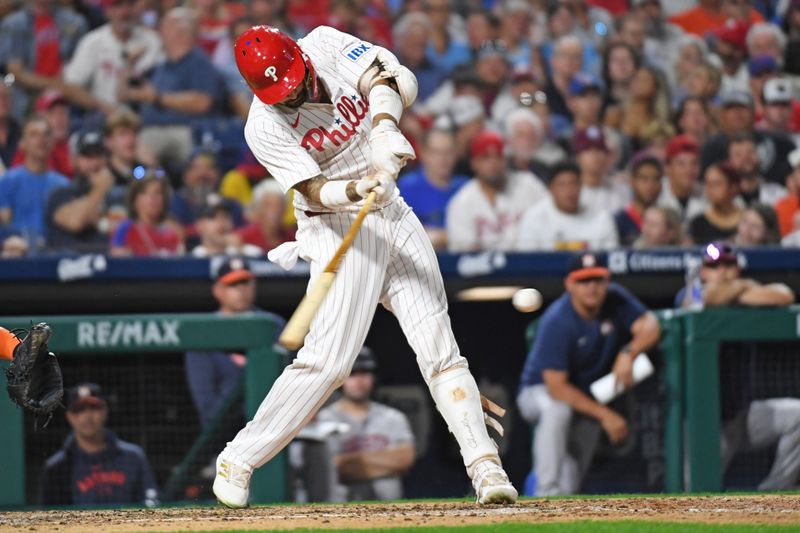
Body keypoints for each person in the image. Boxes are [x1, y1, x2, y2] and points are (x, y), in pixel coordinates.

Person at [212, 25, 517, 508]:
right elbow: (310, 190)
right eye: (282, 93)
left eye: (296, 82)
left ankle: (485, 467)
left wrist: (384, 129)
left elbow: (388, 79)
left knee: (439, 347)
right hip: (336, 228)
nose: (294, 96)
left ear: (300, 59)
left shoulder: (324, 43)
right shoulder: (263, 125)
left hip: (392, 213)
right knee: (330, 364)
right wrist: (354, 190)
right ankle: (238, 457)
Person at [516, 252, 662, 496]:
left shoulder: (615, 299)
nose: (591, 287)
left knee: (571, 481)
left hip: (587, 397)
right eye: (583, 281)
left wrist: (628, 352)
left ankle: (553, 508)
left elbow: (651, 326)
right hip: (539, 391)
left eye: (597, 280)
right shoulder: (558, 319)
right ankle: (544, 491)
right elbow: (557, 388)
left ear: (607, 281)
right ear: (569, 284)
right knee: (557, 410)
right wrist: (606, 415)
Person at [675, 242, 800, 490]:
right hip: (702, 424)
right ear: (702, 272)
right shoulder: (689, 292)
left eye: (728, 265)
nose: (721, 271)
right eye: (713, 266)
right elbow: (701, 300)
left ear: (738, 269)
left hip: (740, 417)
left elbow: (784, 295)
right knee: (694, 497)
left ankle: (772, 494)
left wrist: (736, 290)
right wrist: (742, 287)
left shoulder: (742, 296)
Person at [119, 7, 225, 172]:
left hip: (187, 130)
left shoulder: (199, 63)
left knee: (147, 146)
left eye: (165, 26)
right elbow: (123, 96)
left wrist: (158, 98)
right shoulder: (162, 65)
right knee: (126, 147)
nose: (159, 30)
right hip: (149, 128)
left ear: (181, 31)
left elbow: (203, 102)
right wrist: (129, 64)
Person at [185, 258, 284, 428]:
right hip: (225, 436)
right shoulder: (203, 332)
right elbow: (208, 408)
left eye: (245, 282)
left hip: (275, 427)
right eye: (233, 284)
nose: (241, 290)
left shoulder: (273, 325)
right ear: (218, 291)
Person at [313, 347, 416, 501]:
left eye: (365, 373)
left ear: (374, 377)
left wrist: (349, 463)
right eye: (352, 374)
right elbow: (330, 469)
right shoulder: (324, 419)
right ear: (340, 379)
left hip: (390, 510)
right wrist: (386, 461)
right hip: (342, 512)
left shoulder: (394, 417)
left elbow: (404, 459)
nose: (359, 381)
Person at [40, 383, 158, 506]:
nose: (88, 416)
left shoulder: (133, 458)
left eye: (94, 408)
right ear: (69, 416)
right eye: (79, 410)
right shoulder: (57, 467)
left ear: (105, 411)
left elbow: (151, 504)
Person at [445, 130, 547, 252]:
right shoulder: (461, 202)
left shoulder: (529, 185)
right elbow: (462, 252)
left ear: (505, 160)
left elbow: (551, 219)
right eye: (485, 157)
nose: (493, 163)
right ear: (473, 163)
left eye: (498, 156)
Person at [61, 0, 162, 114]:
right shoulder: (93, 42)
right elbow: (71, 87)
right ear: (106, 12)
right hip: (104, 118)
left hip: (146, 115)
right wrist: (103, 108)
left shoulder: (152, 40)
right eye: (117, 6)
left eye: (131, 5)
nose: (125, 12)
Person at [0, 0, 87, 119]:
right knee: (7, 81)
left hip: (66, 90)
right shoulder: (13, 23)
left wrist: (63, 85)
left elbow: (79, 65)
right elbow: (15, 72)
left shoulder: (75, 22)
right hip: (26, 92)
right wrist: (54, 84)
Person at [515, 161, 619, 251]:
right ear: (551, 189)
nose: (569, 191)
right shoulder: (534, 217)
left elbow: (609, 258)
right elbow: (527, 261)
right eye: (562, 185)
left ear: (581, 186)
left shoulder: (601, 217)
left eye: (574, 183)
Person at [45, 130, 121, 252]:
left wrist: (99, 222)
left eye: (99, 155)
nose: (94, 163)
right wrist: (100, 188)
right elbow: (76, 222)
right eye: (87, 156)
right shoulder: (61, 195)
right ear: (74, 160)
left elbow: (123, 230)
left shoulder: (116, 198)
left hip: (110, 265)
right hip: (71, 265)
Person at [0, 116, 69, 249]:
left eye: (46, 134)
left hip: (55, 252)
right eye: (34, 135)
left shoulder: (63, 184)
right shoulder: (7, 182)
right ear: (22, 143)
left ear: (52, 142)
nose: (41, 140)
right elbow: (5, 223)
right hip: (18, 252)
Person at [399, 129, 468, 250]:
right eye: (436, 152)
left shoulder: (466, 188)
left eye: (449, 152)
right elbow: (403, 232)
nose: (443, 159)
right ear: (423, 153)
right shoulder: (407, 188)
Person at [110, 173, 183, 256]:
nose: (152, 198)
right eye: (145, 193)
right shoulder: (124, 229)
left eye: (158, 192)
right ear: (135, 200)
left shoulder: (172, 232)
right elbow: (117, 261)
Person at [615, 154, 663, 247]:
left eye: (656, 179)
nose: (650, 186)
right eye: (644, 179)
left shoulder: (667, 218)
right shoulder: (619, 221)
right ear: (632, 182)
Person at [688, 163, 743, 244]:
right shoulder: (698, 224)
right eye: (707, 184)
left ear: (733, 187)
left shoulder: (747, 220)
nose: (710, 190)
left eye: (716, 184)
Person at [236, 179, 296, 253]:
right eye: (268, 205)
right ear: (258, 208)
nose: (275, 210)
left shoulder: (293, 240)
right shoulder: (242, 238)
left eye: (279, 205)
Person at [657, 134, 706, 223]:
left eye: (694, 163)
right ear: (668, 168)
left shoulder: (707, 194)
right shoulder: (656, 193)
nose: (688, 170)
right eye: (681, 164)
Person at [191, 200, 262, 258]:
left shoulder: (251, 253)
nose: (220, 222)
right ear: (199, 225)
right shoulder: (191, 257)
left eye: (225, 217)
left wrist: (239, 251)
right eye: (212, 217)